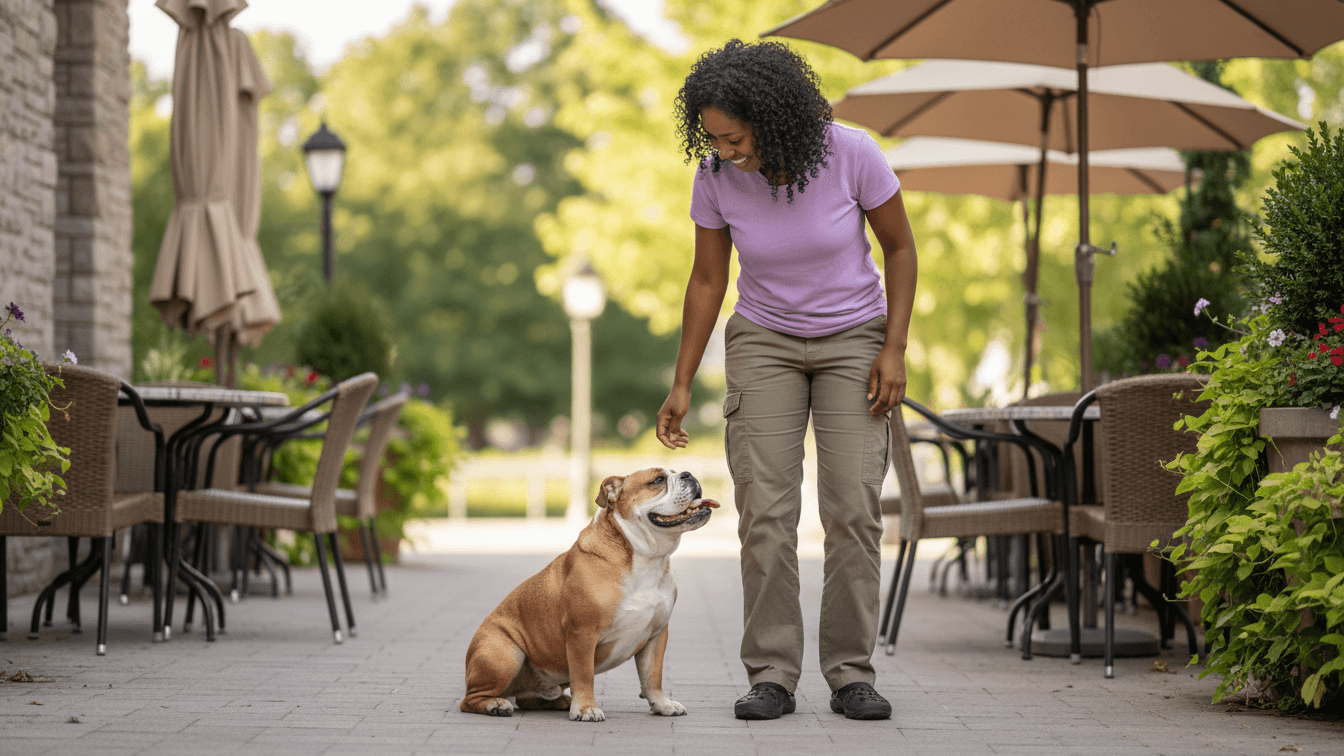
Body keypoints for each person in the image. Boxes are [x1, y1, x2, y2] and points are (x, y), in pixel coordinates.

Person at [655, 39, 918, 722]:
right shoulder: (714, 176)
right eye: (710, 137)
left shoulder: (851, 152)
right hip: (763, 341)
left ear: (773, 117)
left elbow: (899, 247)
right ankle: (771, 672)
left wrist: (894, 347)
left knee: (853, 511)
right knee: (766, 516)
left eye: (734, 136)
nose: (722, 148)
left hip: (854, 339)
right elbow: (709, 279)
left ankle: (851, 672)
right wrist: (681, 381)